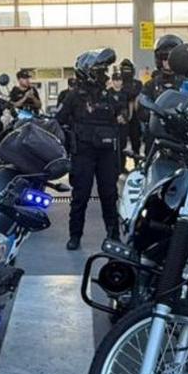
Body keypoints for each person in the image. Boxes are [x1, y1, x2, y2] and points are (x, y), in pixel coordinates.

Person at [58, 48, 125, 250]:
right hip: (83, 153)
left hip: (106, 154)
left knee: (109, 195)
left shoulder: (109, 96)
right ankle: (75, 235)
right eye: (99, 69)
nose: (104, 74)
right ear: (87, 71)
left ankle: (113, 236)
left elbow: (120, 119)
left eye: (104, 69)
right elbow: (59, 121)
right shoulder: (74, 96)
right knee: (80, 196)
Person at [117, 59, 144, 158]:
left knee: (136, 140)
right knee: (121, 142)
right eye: (125, 69)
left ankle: (137, 163)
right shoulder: (118, 83)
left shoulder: (137, 83)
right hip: (121, 115)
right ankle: (121, 166)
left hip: (135, 116)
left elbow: (136, 93)